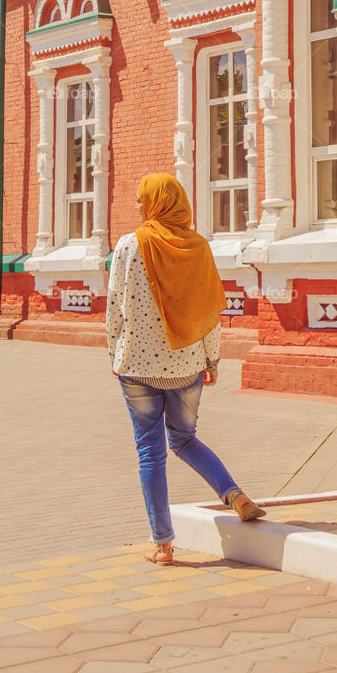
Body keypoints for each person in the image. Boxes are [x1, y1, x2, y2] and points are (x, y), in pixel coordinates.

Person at [107, 171, 266, 565]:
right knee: (184, 439)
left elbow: (115, 307)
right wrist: (212, 360)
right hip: (186, 366)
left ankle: (162, 544)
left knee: (150, 451)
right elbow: (210, 311)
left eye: (141, 199)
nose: (138, 206)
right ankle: (235, 495)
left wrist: (115, 353)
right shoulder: (198, 247)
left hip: (138, 367)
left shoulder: (129, 245)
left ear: (156, 202)